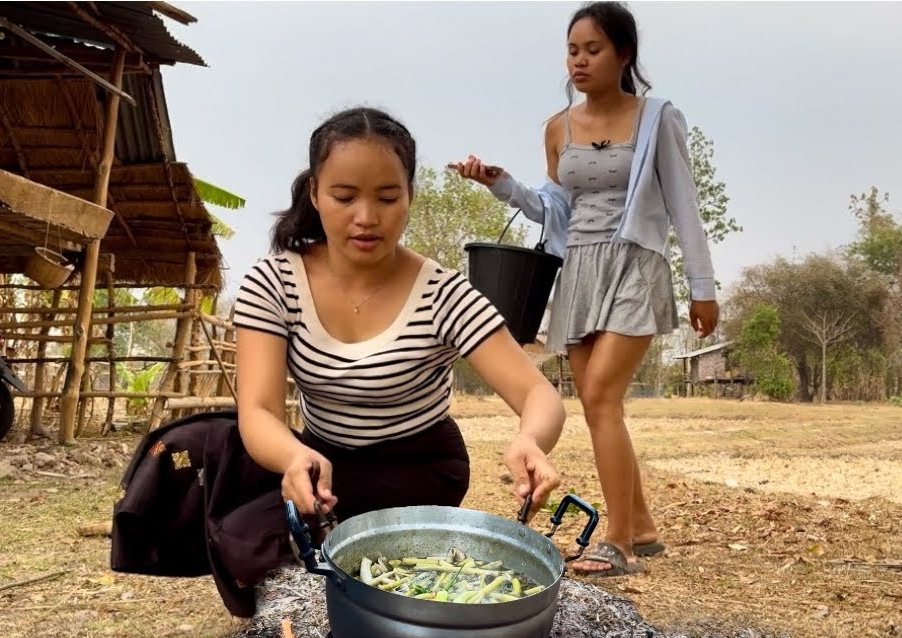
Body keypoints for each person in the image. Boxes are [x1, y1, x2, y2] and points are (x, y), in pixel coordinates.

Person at [451, 1, 720, 577]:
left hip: (635, 263)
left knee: (600, 395)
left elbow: (684, 204)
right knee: (602, 403)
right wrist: (500, 183)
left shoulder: (657, 118)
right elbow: (553, 208)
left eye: (592, 49)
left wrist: (703, 286)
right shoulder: (559, 128)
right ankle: (643, 527)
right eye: (572, 50)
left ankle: (618, 542)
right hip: (577, 269)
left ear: (623, 55)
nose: (579, 61)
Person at [234, 107, 566, 529]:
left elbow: (538, 393)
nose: (367, 217)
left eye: (388, 198)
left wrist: (530, 439)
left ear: (409, 194)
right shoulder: (274, 282)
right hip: (318, 467)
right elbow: (258, 410)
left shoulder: (442, 294)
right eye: (345, 196)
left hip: (419, 474)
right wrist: (293, 455)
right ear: (315, 193)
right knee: (254, 553)